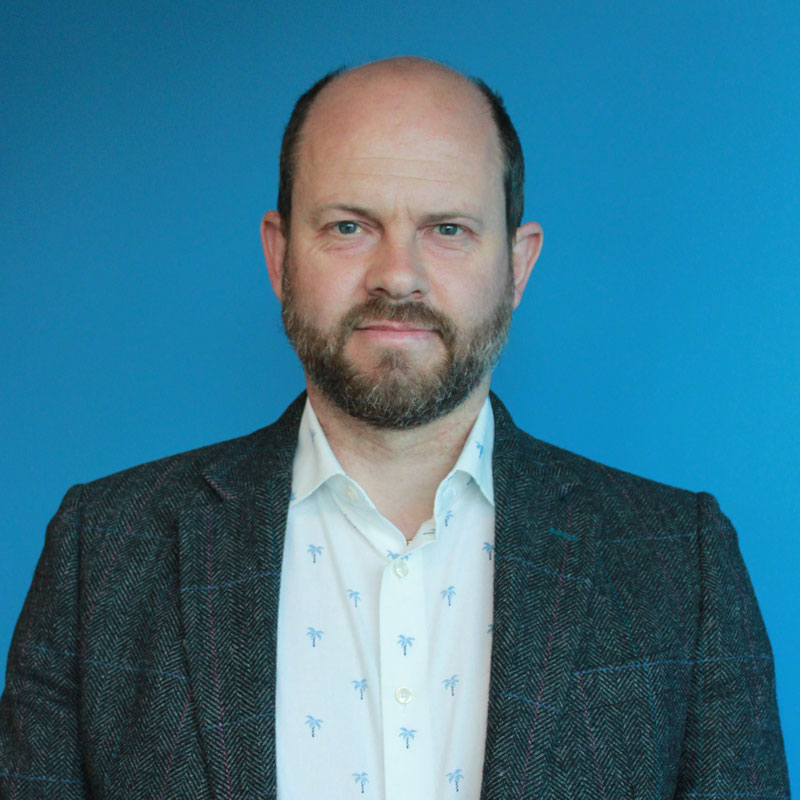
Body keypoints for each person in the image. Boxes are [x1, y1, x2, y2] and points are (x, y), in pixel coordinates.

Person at [0, 57, 789, 799]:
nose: (397, 276)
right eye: (349, 226)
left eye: (448, 229)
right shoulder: (102, 552)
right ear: (279, 256)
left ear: (518, 266)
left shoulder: (681, 564)